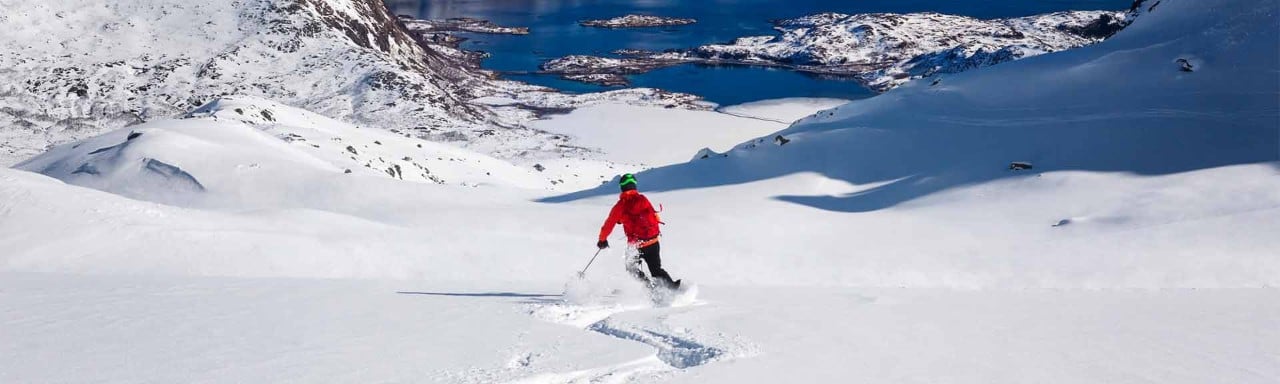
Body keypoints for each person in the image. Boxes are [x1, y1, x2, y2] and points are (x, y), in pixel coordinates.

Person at [597, 173, 680, 289]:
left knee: (631, 268)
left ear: (622, 188)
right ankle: (672, 287)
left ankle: (649, 288)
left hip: (636, 245)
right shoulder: (643, 199)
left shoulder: (620, 206)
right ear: (634, 186)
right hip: (653, 241)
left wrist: (602, 240)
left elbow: (608, 224)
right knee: (656, 270)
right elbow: (655, 216)